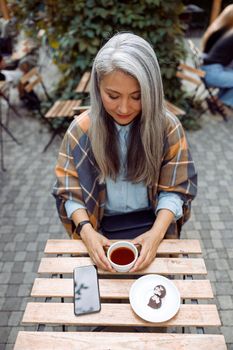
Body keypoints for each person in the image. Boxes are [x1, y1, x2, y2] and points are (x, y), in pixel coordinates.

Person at [53, 33, 197, 272]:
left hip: (155, 223)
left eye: (137, 97)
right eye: (113, 96)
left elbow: (176, 190)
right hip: (99, 227)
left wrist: (156, 235)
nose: (123, 108)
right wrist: (87, 233)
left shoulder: (168, 127)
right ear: (98, 88)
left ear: (152, 90)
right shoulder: (80, 130)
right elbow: (70, 193)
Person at [201, 28, 233, 109]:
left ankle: (217, 100)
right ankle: (222, 104)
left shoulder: (229, 34)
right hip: (211, 73)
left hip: (210, 69)